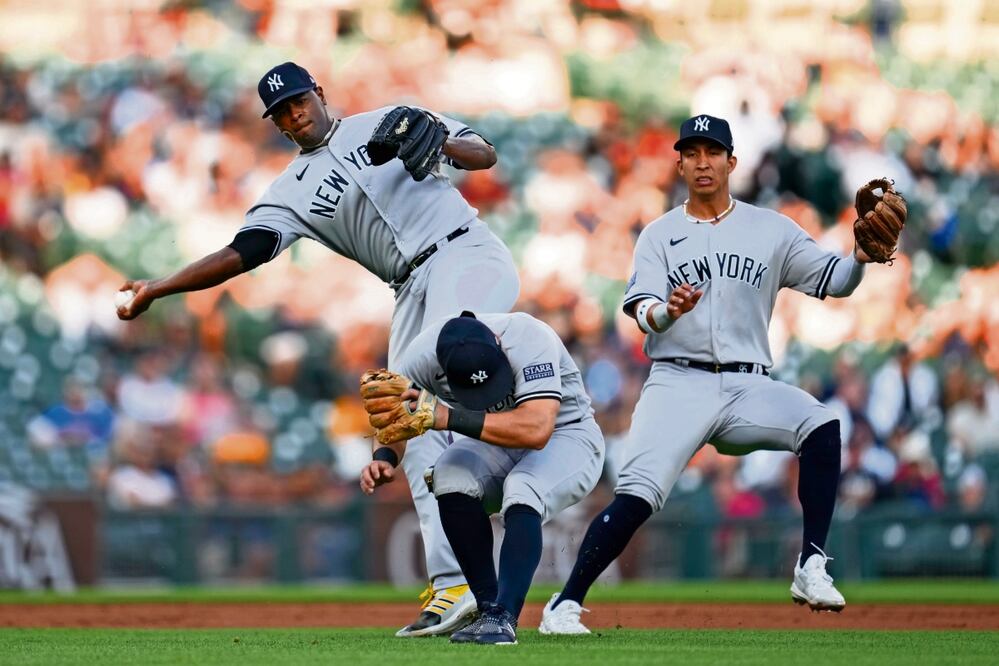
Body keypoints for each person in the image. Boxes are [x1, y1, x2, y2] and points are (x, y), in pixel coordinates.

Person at [116, 62, 520, 637]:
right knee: (405, 423)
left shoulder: (386, 119)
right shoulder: (290, 191)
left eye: (299, 100)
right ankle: (454, 584)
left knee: (437, 368)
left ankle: (507, 430)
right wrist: (159, 287)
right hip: (408, 287)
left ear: (319, 94)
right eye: (281, 111)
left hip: (465, 253)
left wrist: (437, 144)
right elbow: (245, 250)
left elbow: (484, 155)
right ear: (276, 124)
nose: (293, 113)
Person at [541, 114, 882, 634]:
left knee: (822, 425)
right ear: (679, 163)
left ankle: (812, 565)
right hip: (678, 381)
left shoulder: (770, 229)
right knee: (636, 495)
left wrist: (859, 256)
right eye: (692, 152)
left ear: (731, 162)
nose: (703, 162)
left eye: (713, 152)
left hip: (748, 384)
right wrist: (668, 313)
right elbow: (642, 311)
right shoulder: (659, 235)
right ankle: (563, 606)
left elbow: (834, 281)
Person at [359, 311, 605, 644]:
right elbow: (395, 415)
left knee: (524, 487)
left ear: (498, 343)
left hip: (568, 436)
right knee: (448, 473)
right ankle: (488, 609)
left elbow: (536, 429)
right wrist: (384, 457)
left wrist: (445, 416)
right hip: (498, 441)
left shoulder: (529, 337)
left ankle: (505, 618)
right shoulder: (421, 356)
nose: (488, 393)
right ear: (442, 368)